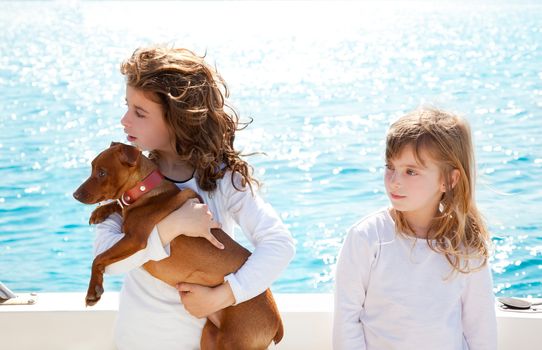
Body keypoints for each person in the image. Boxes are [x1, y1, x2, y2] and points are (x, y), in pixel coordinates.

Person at [93, 46, 295, 350]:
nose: (124, 120)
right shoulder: (124, 176)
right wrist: (173, 226)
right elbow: (108, 262)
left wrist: (224, 295)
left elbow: (279, 245)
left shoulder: (223, 179)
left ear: (177, 119)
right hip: (138, 339)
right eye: (127, 106)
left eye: (139, 112)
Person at [333, 108, 497, 350]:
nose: (394, 180)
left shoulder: (466, 248)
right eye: (390, 166)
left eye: (411, 171)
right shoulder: (367, 237)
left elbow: (481, 332)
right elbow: (346, 323)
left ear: (449, 180)